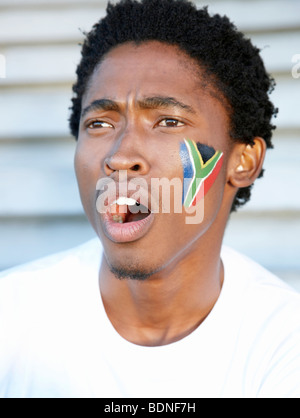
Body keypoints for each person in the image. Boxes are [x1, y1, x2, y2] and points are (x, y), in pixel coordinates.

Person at [0, 0, 299, 399]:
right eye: (100, 123)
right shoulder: (11, 321)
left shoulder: (283, 345)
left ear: (242, 160)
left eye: (168, 122)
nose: (120, 156)